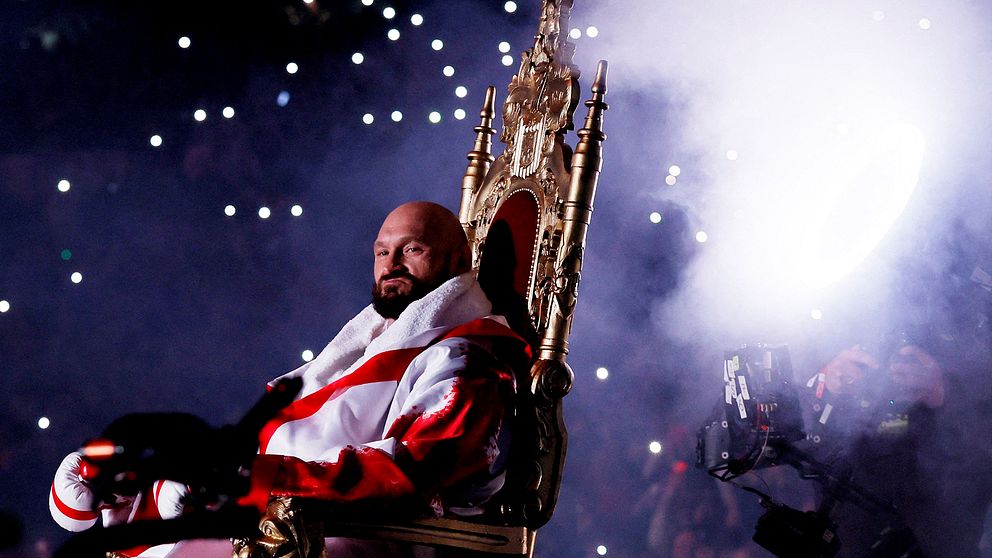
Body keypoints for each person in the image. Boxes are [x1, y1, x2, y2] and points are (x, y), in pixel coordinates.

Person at [49, 201, 532, 557]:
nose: (392, 265)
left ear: (459, 260)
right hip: (295, 520)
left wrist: (245, 483)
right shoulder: (367, 347)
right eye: (382, 251)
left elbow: (408, 473)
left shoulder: (468, 360)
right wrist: (140, 481)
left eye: (413, 249)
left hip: (369, 539)